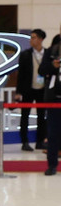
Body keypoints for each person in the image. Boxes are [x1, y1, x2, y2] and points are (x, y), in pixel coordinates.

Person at [16, 28, 47, 151]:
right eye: (31, 37)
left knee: (41, 117)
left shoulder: (48, 54)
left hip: (43, 90)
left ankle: (40, 141)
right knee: (25, 116)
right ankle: (24, 141)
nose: (31, 40)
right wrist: (18, 92)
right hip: (28, 89)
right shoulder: (25, 55)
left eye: (34, 37)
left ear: (40, 39)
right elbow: (21, 75)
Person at [40, 30, 61, 175]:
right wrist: (53, 66)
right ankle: (52, 165)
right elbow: (41, 70)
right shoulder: (52, 50)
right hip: (55, 98)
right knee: (53, 134)